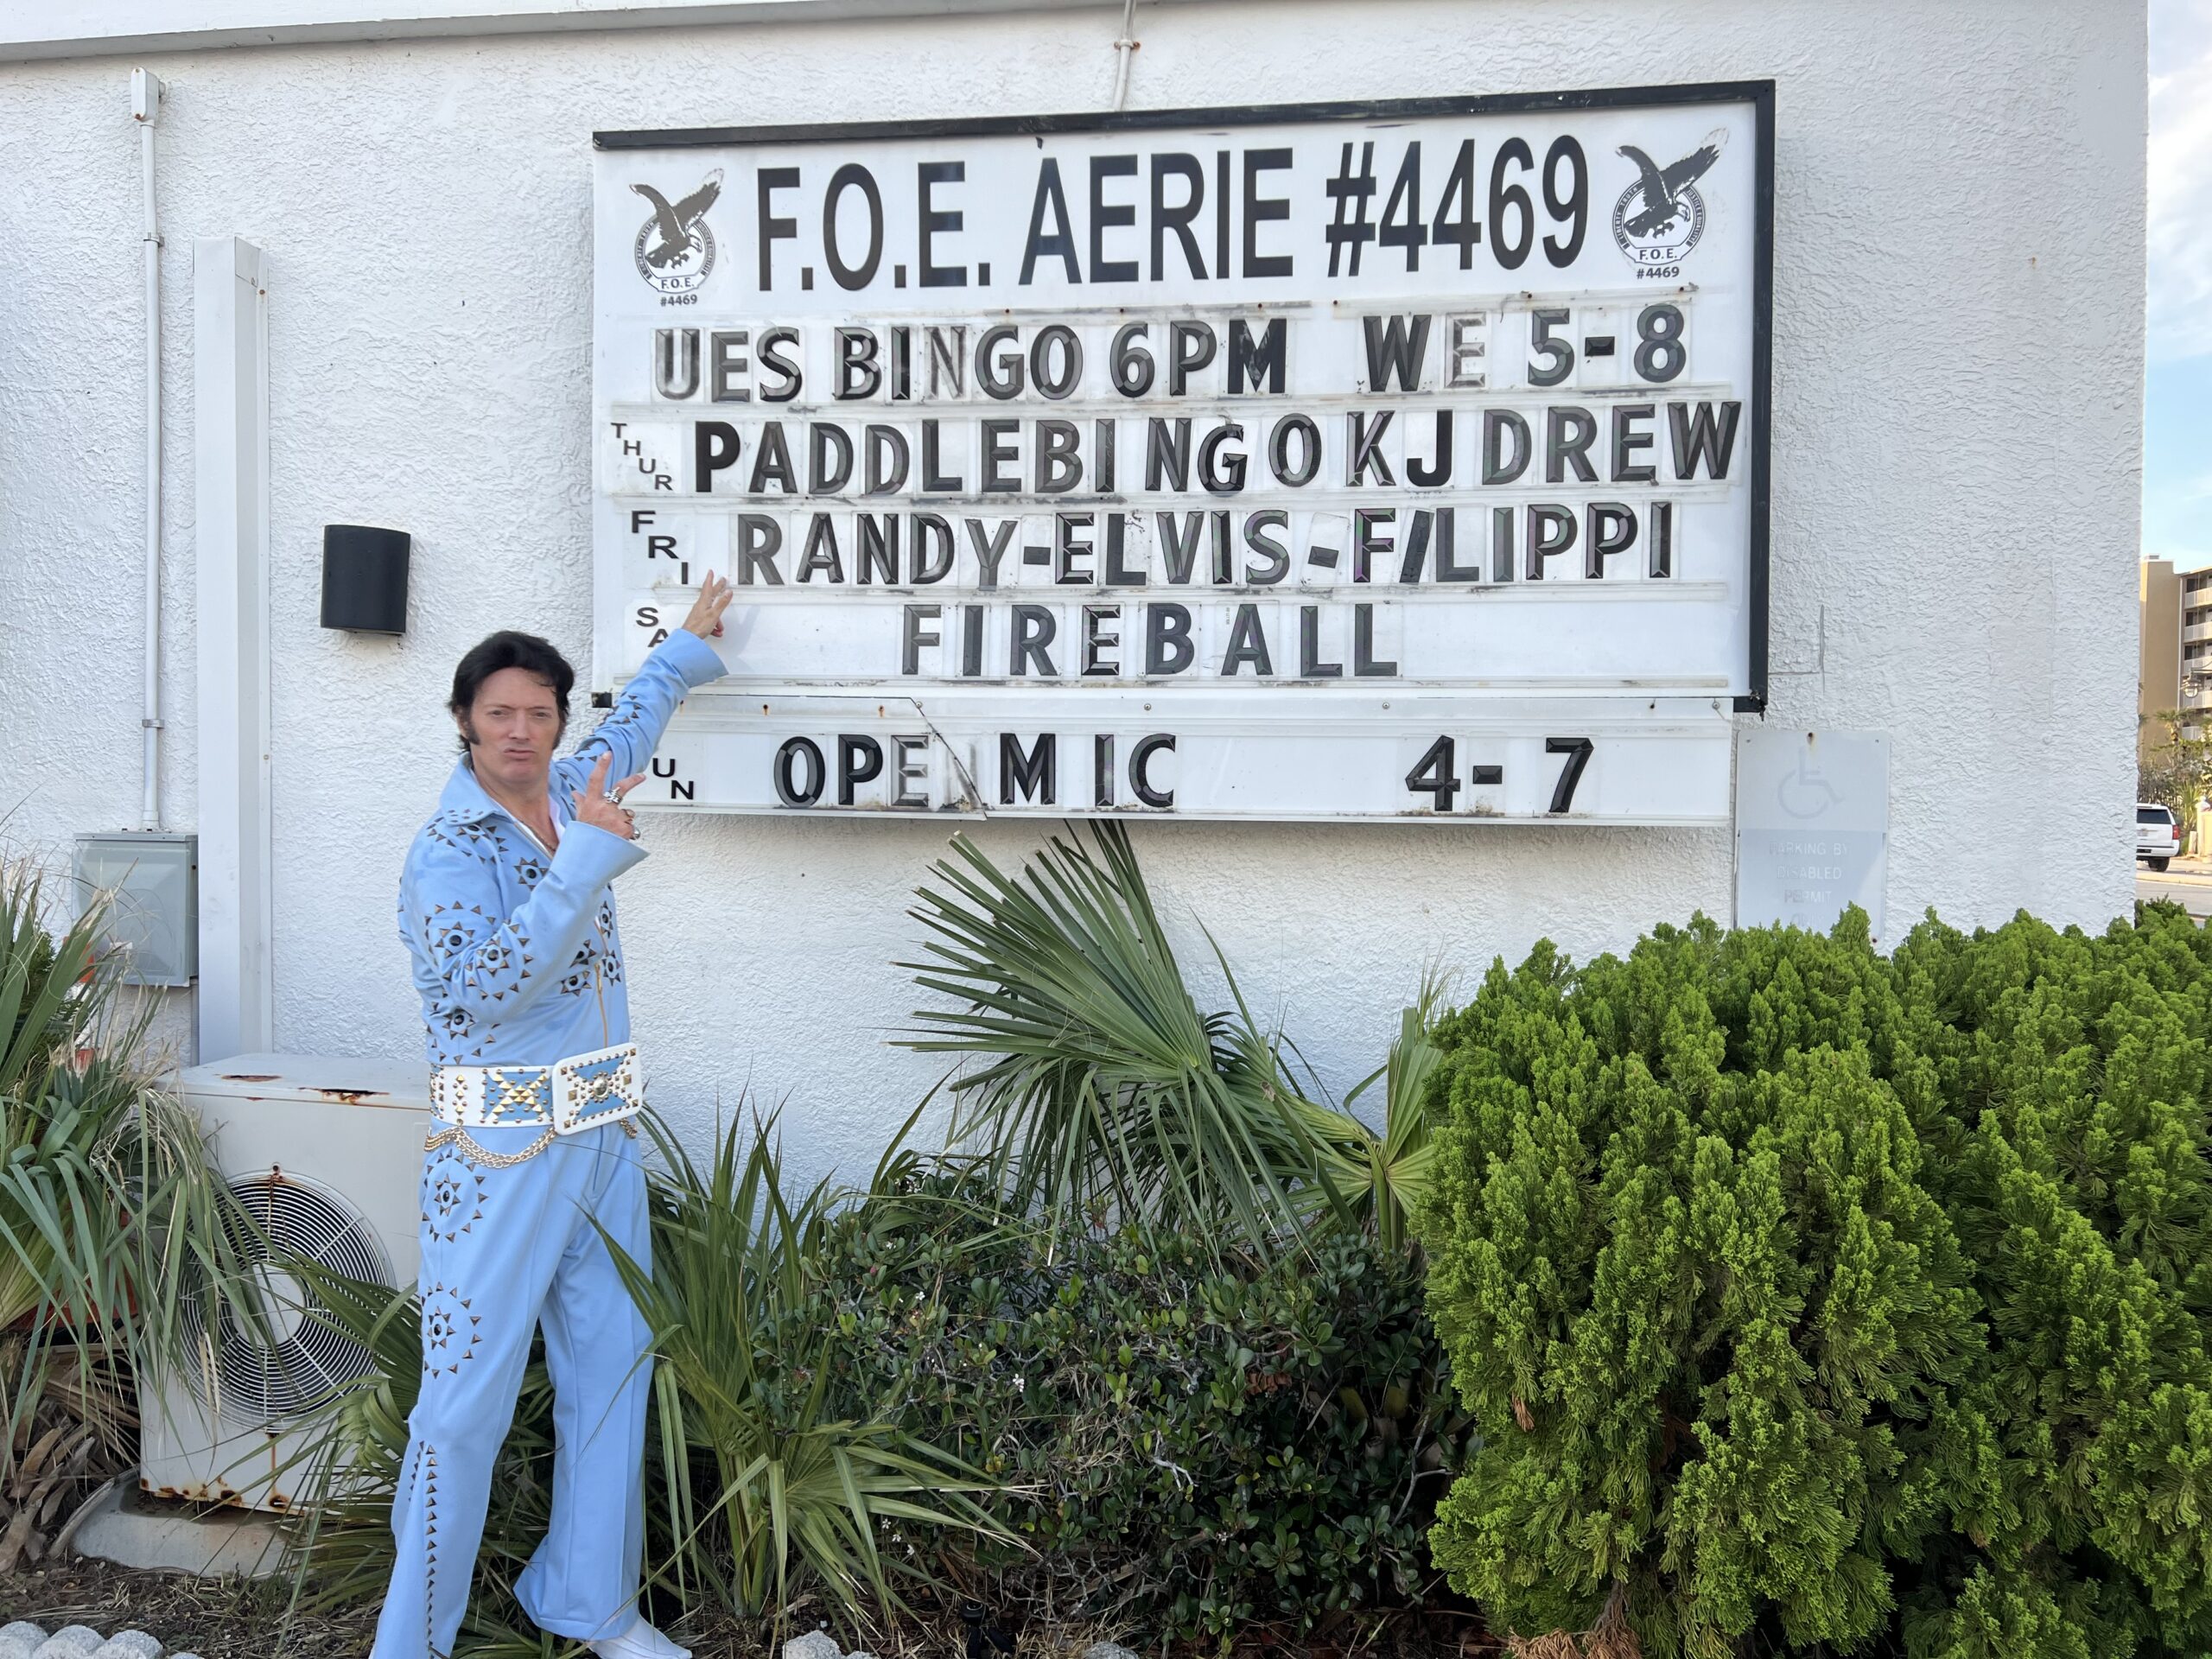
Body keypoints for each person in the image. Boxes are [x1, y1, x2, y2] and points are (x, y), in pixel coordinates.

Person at [372, 574, 734, 1659]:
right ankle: (409, 1643)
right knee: (464, 1405)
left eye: (538, 713)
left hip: (601, 1139)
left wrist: (679, 652)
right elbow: (482, 990)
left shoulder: (575, 783)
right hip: (497, 1157)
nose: (520, 732)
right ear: (465, 724)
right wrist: (583, 859)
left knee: (612, 1376)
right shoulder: (446, 850)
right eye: (499, 715)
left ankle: (588, 1603)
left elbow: (631, 730)